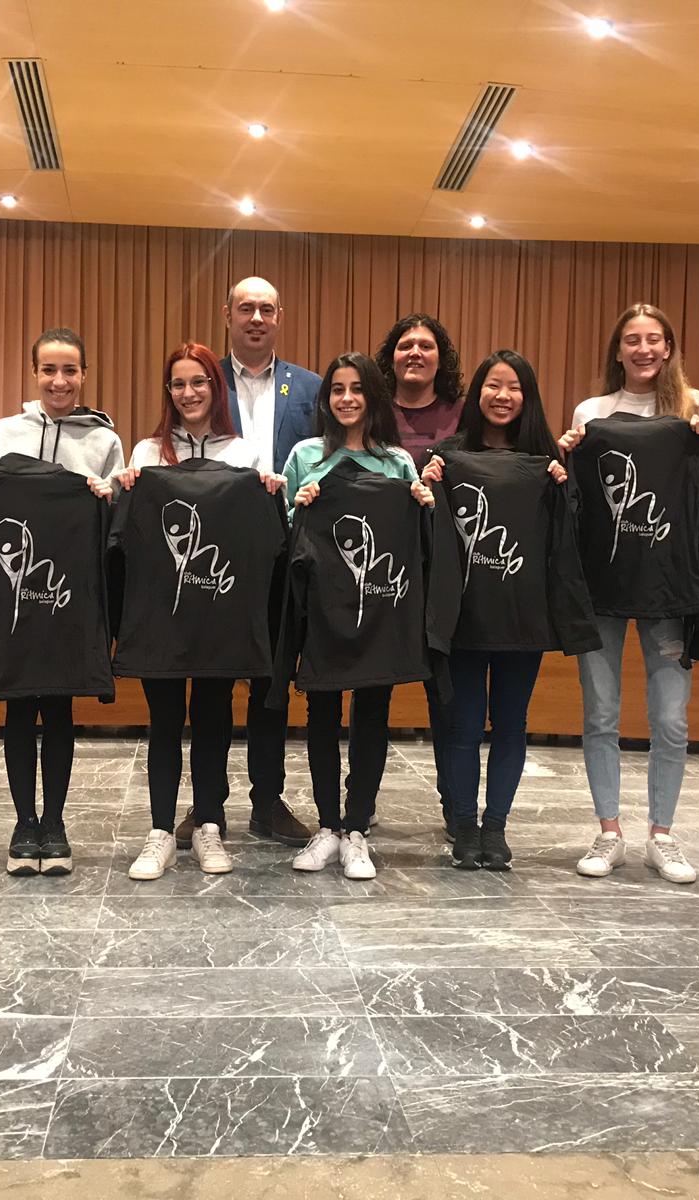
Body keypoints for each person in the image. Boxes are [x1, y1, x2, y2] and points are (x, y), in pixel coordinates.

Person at [563, 302, 699, 885]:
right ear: (619, 350)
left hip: (670, 584)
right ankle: (609, 832)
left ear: (669, 347)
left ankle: (663, 835)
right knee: (600, 713)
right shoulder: (592, 412)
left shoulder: (694, 407)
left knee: (671, 719)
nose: (644, 349)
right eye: (633, 339)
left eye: (654, 339)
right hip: (601, 583)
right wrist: (567, 454)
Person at [125, 347, 284, 882]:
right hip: (162, 616)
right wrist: (127, 489)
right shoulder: (147, 452)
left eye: (199, 382)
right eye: (178, 384)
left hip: (221, 613)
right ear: (167, 391)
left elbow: (261, 537)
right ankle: (160, 832)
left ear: (216, 388)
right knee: (164, 720)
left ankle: (209, 824)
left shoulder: (245, 453)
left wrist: (268, 493)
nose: (188, 393)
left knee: (214, 719)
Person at [173, 276, 321, 851]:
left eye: (266, 308)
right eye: (245, 308)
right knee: (210, 683)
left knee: (270, 684)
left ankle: (268, 801)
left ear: (279, 316)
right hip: (216, 556)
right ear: (227, 314)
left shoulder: (309, 388)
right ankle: (207, 803)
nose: (256, 318)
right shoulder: (203, 382)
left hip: (285, 553)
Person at [0, 327, 118, 877]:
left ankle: (54, 823)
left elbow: (113, 523)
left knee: (58, 709)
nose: (59, 380)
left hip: (65, 598)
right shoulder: (2, 433)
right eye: (49, 370)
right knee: (17, 706)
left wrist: (106, 497)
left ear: (84, 375)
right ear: (34, 373)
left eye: (70, 370)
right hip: (11, 599)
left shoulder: (103, 441)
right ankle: (23, 822)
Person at [284, 351, 435, 882]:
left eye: (356, 389)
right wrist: (299, 506)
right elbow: (283, 533)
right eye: (337, 389)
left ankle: (356, 829)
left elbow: (415, 539)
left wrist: (422, 504)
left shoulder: (397, 462)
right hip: (323, 611)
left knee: (372, 714)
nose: (346, 399)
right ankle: (327, 824)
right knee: (321, 714)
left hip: (381, 612)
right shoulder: (305, 455)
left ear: (373, 396)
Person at [420, 350, 568, 871]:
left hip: (522, 618)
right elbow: (425, 529)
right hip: (464, 618)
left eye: (514, 387)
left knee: (510, 724)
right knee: (462, 726)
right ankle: (463, 826)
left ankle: (496, 827)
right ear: (477, 392)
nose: (502, 396)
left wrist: (562, 484)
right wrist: (428, 483)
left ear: (528, 397)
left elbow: (566, 533)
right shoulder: (447, 457)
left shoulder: (545, 460)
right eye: (492, 385)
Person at [374, 313, 465, 832]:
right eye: (405, 344)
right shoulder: (372, 412)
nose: (415, 352)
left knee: (445, 694)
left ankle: (455, 808)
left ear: (440, 357)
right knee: (374, 691)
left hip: (443, 571)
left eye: (426, 345)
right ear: (390, 357)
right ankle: (359, 806)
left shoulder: (462, 414)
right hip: (382, 573)